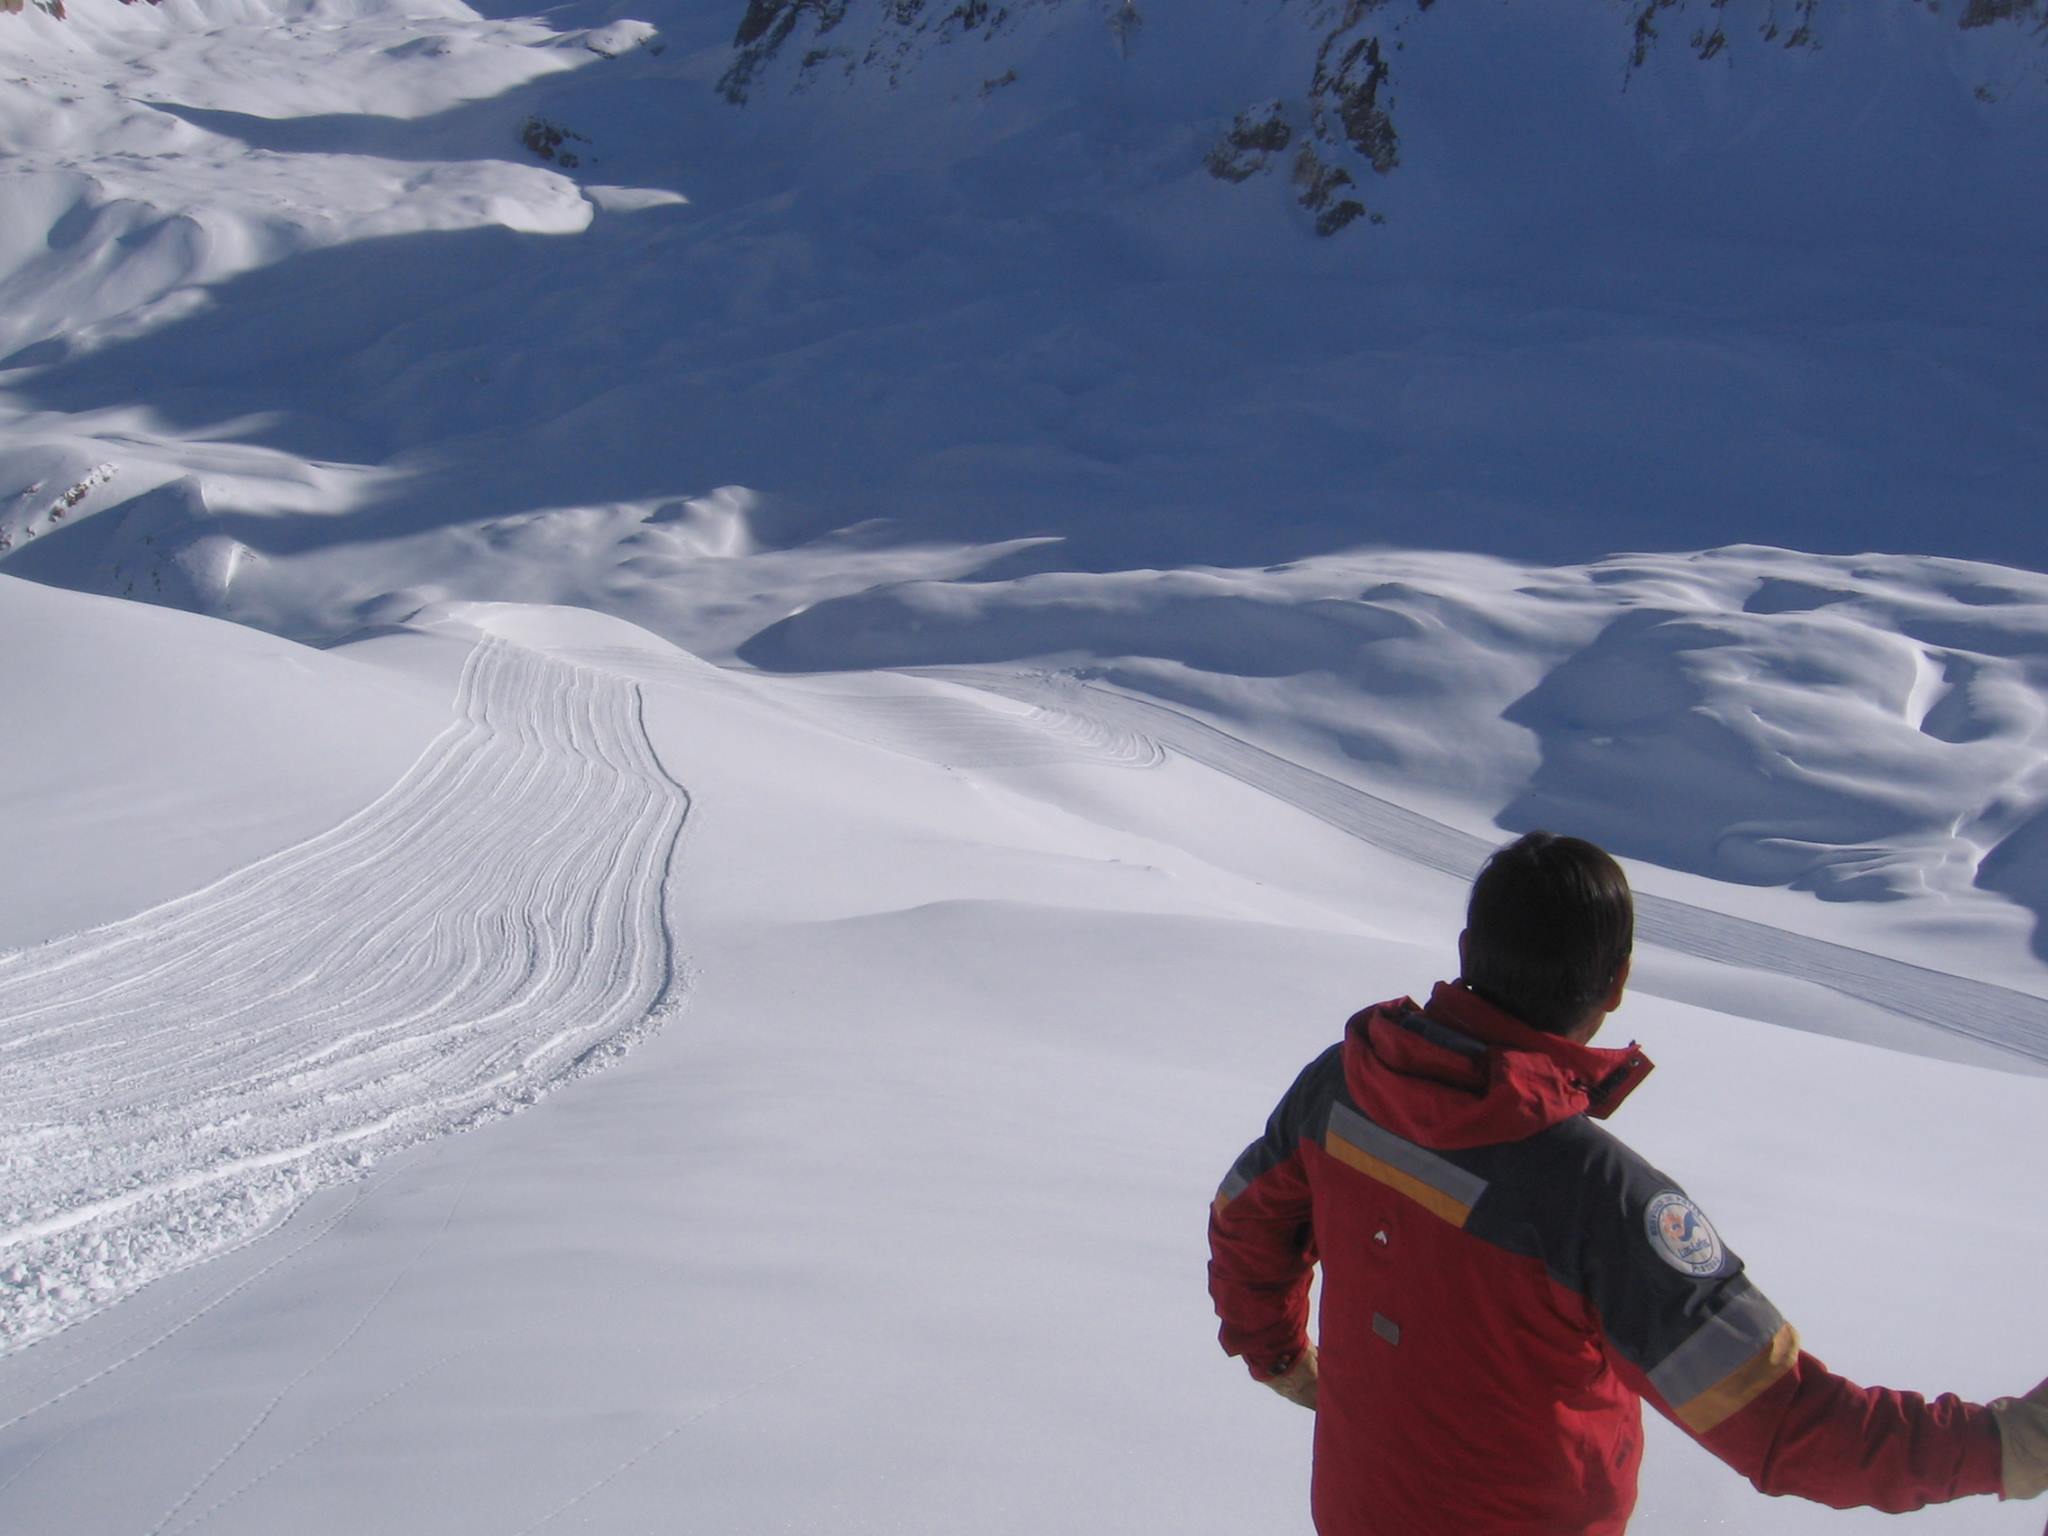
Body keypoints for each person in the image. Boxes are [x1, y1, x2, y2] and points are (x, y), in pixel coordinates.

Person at [1207, 831, 2047, 1535]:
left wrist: (1279, 1355)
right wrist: (2010, 1444)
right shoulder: (1601, 1200)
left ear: (1468, 953)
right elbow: (1786, 1425)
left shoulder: (1346, 1087)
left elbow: (1244, 1220)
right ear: (1616, 985)